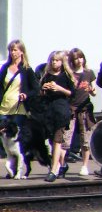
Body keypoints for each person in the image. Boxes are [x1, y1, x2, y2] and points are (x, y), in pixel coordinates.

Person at [40, 50, 75, 182]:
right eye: (53, 60)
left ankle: (53, 170)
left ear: (62, 62)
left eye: (57, 60)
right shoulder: (47, 75)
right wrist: (44, 88)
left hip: (61, 111)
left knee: (57, 140)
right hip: (49, 111)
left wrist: (59, 88)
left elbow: (72, 93)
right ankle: (61, 164)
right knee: (51, 141)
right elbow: (41, 94)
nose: (54, 62)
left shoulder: (65, 75)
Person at [68, 48, 97, 176]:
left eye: (81, 57)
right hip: (71, 109)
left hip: (85, 109)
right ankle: (61, 165)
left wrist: (90, 90)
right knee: (65, 139)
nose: (79, 60)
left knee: (85, 139)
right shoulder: (69, 74)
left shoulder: (89, 73)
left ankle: (85, 166)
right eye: (76, 58)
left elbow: (94, 92)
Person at [0, 40, 39, 130]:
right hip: (4, 107)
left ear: (21, 51)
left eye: (15, 50)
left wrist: (26, 95)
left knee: (16, 137)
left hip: (19, 108)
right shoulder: (5, 67)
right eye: (11, 50)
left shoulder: (27, 69)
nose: (12, 52)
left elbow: (36, 89)